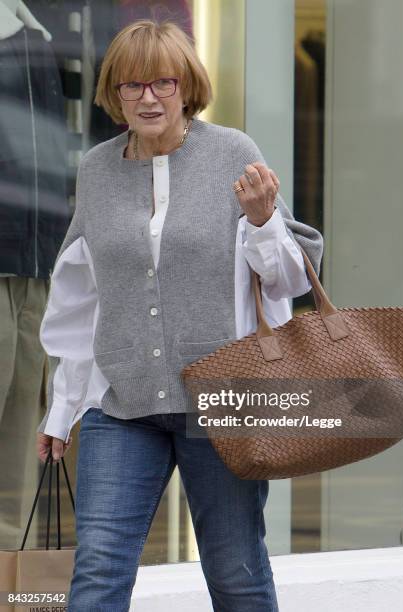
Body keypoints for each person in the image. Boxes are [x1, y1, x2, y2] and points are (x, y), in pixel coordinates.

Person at [35, 19, 323, 612]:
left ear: (186, 86)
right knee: (96, 578)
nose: (147, 98)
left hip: (221, 403)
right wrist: (62, 410)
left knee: (236, 573)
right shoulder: (95, 169)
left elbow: (290, 281)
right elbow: (80, 297)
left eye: (162, 83)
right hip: (123, 405)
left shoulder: (233, 154)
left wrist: (265, 220)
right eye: (131, 85)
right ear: (113, 93)